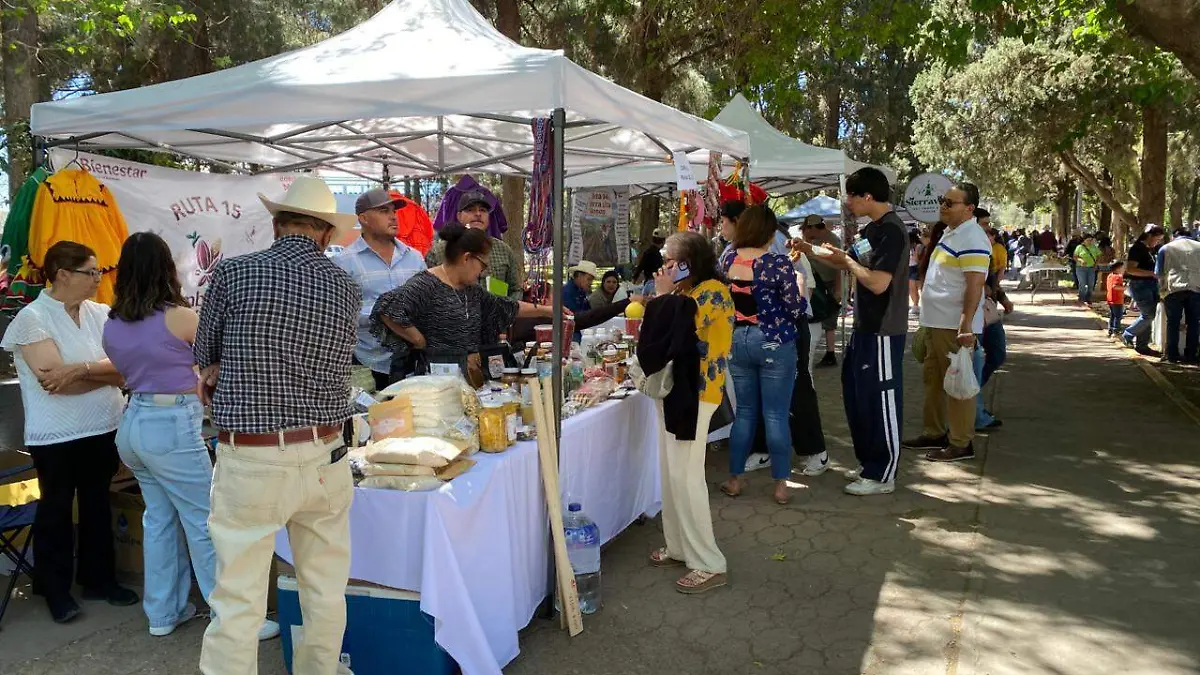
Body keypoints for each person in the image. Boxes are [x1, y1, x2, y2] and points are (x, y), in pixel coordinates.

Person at [195, 176, 360, 675]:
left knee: (239, 600)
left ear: (275, 224)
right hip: (326, 452)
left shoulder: (235, 273)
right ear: (326, 234)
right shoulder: (346, 287)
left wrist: (223, 369)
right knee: (326, 590)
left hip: (254, 454)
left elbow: (206, 356)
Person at [103, 233, 279, 640]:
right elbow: (220, 356)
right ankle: (232, 618)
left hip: (134, 422)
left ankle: (164, 612)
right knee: (204, 520)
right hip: (171, 423)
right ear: (166, 268)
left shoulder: (112, 323)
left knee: (160, 521)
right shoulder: (178, 316)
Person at [0, 241, 138, 624]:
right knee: (57, 509)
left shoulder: (101, 312)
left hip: (104, 426)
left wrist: (80, 369)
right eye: (90, 272)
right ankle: (55, 588)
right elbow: (55, 382)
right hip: (56, 435)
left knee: (97, 505)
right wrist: (103, 372)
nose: (98, 279)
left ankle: (99, 579)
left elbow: (126, 368)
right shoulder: (33, 318)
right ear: (62, 274)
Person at [797, 168, 909, 495]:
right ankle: (868, 463)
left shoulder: (892, 231)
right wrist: (807, 249)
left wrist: (848, 265)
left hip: (884, 329)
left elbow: (876, 282)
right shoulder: (873, 229)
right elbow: (845, 259)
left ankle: (882, 474)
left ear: (867, 196)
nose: (847, 202)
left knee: (882, 400)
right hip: (864, 328)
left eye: (851, 196)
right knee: (858, 397)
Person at [638, 231, 732, 594]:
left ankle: (709, 561)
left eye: (671, 259)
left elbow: (678, 325)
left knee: (686, 475)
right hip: (677, 390)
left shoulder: (712, 292)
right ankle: (679, 545)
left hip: (698, 393)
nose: (665, 265)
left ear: (689, 261)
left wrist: (662, 296)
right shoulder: (686, 291)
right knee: (670, 471)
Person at [372, 224, 555, 385]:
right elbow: (387, 308)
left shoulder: (472, 290)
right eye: (482, 266)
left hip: (469, 379)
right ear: (467, 258)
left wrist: (548, 311)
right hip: (436, 384)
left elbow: (506, 306)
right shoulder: (426, 284)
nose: (482, 273)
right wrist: (417, 339)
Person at [717, 205, 805, 505]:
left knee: (745, 412)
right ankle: (781, 485)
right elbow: (795, 308)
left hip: (736, 341)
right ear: (768, 232)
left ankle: (734, 479)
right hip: (773, 342)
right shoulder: (778, 263)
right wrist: (801, 288)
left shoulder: (727, 258)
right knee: (776, 414)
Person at [904, 183, 990, 463]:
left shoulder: (973, 237)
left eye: (950, 202)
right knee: (934, 381)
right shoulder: (952, 234)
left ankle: (961, 442)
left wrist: (965, 325)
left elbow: (975, 284)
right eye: (943, 200)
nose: (943, 205)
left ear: (969, 208)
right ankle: (935, 432)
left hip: (953, 325)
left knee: (957, 383)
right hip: (936, 322)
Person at [333, 189, 426, 391]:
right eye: (384, 211)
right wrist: (384, 316)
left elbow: (428, 304)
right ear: (364, 218)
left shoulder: (415, 258)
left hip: (414, 363)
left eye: (393, 210)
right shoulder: (344, 262)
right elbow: (339, 317)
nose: (393, 216)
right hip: (368, 365)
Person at [426, 191, 522, 301]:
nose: (478, 214)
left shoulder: (504, 250)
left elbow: (516, 289)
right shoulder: (438, 252)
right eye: (470, 210)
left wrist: (505, 312)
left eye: (483, 210)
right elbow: (428, 294)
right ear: (459, 216)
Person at [801, 214, 843, 367]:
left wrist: (838, 289)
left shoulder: (832, 240)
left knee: (829, 319)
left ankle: (830, 353)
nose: (807, 233)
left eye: (808, 229)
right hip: (819, 284)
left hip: (829, 285)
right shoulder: (815, 239)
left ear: (814, 227)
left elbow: (840, 266)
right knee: (821, 318)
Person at [1121, 226, 1166, 357]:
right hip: (1139, 285)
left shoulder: (1151, 250)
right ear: (1149, 236)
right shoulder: (1137, 248)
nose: (1157, 242)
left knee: (1148, 315)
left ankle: (1142, 345)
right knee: (1149, 314)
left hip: (1151, 285)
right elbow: (1130, 269)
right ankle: (1128, 334)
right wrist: (1153, 274)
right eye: (1157, 239)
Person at [1156, 228, 1200, 364]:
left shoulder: (1165, 248)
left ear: (1174, 236)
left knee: (1173, 322)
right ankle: (1191, 355)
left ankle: (1172, 355)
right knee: (1194, 322)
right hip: (1196, 288)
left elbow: (1159, 272)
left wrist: (1161, 291)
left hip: (1173, 288)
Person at [1073, 232, 1102, 305]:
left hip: (1091, 268)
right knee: (1082, 283)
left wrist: (1096, 264)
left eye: (1091, 240)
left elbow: (1099, 256)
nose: (1090, 242)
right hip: (1081, 268)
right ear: (1084, 240)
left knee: (1091, 284)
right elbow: (1075, 256)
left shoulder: (1094, 247)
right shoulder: (1079, 247)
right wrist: (1080, 260)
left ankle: (1088, 298)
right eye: (1088, 240)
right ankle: (1081, 298)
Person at [1106, 261, 1127, 337]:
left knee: (1112, 315)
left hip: (1110, 299)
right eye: (1122, 268)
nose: (1123, 269)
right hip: (1117, 300)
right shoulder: (1118, 276)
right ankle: (1116, 330)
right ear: (1118, 268)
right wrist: (1125, 288)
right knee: (1118, 316)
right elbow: (1115, 286)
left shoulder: (1110, 276)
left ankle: (1110, 329)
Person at [908, 228, 925, 317]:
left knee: (914, 287)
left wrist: (914, 252)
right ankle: (915, 305)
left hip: (916, 268)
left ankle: (916, 305)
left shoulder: (918, 247)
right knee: (911, 288)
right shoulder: (909, 247)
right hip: (909, 268)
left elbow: (917, 260)